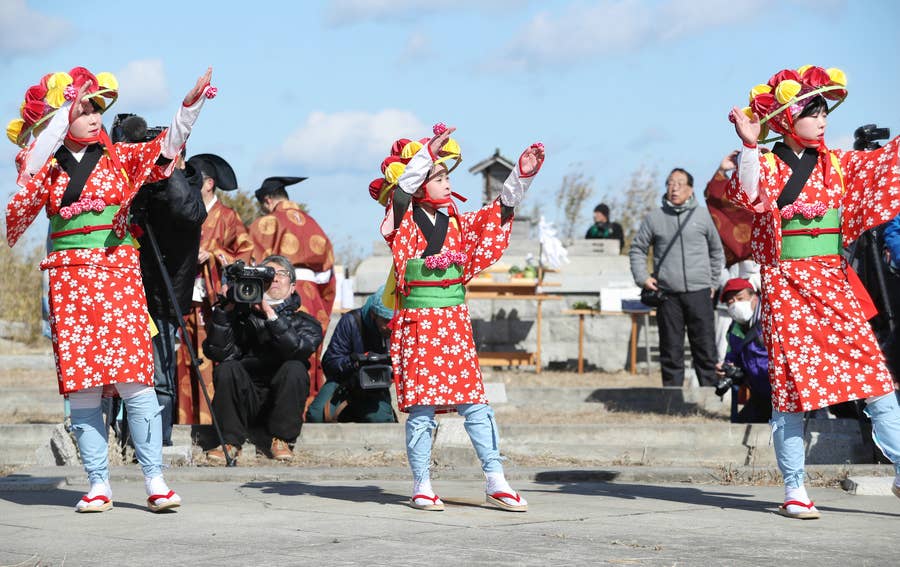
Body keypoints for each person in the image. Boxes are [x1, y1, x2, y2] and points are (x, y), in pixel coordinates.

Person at [5, 66, 215, 512]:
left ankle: (155, 480)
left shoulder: (120, 157)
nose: (94, 115)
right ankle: (98, 483)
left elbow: (166, 149)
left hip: (118, 275)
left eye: (97, 106)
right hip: (70, 279)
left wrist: (189, 106)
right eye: (82, 108)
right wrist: (61, 115)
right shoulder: (41, 165)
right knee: (82, 388)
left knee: (135, 381)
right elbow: (19, 205)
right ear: (60, 117)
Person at [728, 65, 900, 518]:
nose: (823, 121)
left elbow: (888, 165)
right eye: (813, 112)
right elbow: (748, 195)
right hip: (786, 285)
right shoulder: (762, 161)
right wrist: (749, 143)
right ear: (787, 120)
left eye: (825, 112)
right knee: (791, 393)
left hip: (833, 284)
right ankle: (795, 488)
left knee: (876, 381)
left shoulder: (840, 163)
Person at [371, 122, 544, 512]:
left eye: (448, 175)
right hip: (418, 323)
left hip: (452, 321)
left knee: (475, 403)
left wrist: (522, 175)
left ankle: (495, 478)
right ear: (418, 185)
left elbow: (499, 212)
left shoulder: (460, 224)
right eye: (438, 176)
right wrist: (427, 153)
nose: (447, 182)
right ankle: (421, 482)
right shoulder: (399, 219)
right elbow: (400, 194)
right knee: (421, 407)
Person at [117, 114, 207, 446]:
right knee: (128, 374)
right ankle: (128, 439)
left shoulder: (186, 187)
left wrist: (169, 171)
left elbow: (188, 213)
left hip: (164, 298)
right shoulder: (141, 188)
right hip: (130, 292)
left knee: (161, 377)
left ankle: (158, 443)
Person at [203, 255, 324, 464]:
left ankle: (282, 440)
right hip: (245, 399)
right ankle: (230, 443)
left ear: (293, 287)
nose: (275, 278)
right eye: (268, 274)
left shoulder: (306, 323)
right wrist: (226, 311)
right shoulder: (240, 318)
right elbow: (217, 353)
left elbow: (297, 350)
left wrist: (270, 314)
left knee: (295, 368)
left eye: (282, 274)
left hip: (281, 403)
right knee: (226, 368)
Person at [176, 153, 253, 425]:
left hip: (212, 297)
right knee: (184, 359)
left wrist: (212, 253)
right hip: (184, 293)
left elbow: (246, 252)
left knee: (211, 357)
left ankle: (213, 422)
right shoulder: (182, 210)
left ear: (208, 184)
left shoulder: (228, 217)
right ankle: (185, 420)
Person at [629, 168, 725, 387]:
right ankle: (672, 400)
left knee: (705, 347)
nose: (674, 188)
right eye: (670, 183)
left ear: (691, 189)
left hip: (700, 292)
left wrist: (713, 283)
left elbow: (716, 252)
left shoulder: (702, 215)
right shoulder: (655, 217)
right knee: (671, 349)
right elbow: (637, 249)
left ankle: (709, 398)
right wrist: (642, 277)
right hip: (668, 295)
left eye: (680, 183)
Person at [249, 177, 336, 395]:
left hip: (280, 292)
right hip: (313, 294)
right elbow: (328, 273)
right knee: (308, 344)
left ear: (268, 200)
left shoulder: (269, 222)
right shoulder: (312, 222)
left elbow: (253, 263)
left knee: (281, 344)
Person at [307, 285, 397, 423]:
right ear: (373, 314)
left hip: (375, 386)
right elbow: (330, 362)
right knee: (316, 415)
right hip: (344, 382)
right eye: (386, 321)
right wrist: (354, 361)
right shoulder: (351, 321)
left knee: (382, 420)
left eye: (394, 321)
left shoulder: (400, 329)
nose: (390, 326)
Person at [716, 278, 771, 423]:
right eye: (730, 302)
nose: (735, 304)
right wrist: (727, 368)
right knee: (741, 425)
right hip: (760, 395)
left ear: (754, 298)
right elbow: (732, 358)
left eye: (740, 298)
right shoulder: (734, 330)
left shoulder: (773, 319)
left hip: (786, 395)